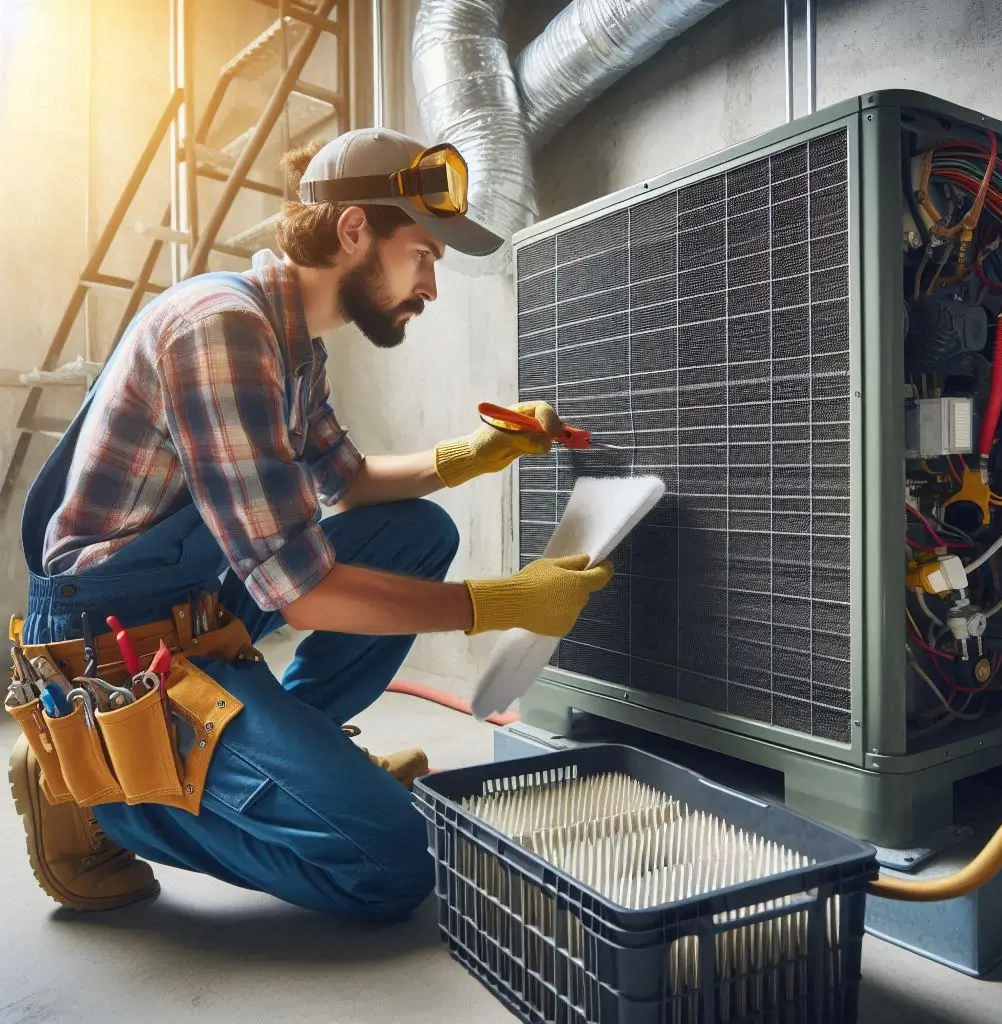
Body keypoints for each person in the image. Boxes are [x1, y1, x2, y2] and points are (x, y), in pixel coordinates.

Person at [5, 128, 613, 921]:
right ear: (354, 229)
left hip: (199, 600)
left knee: (416, 533)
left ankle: (308, 749)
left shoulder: (293, 347)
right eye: (422, 252)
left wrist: (475, 452)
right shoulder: (222, 329)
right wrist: (498, 604)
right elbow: (306, 596)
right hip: (114, 643)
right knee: (392, 865)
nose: (431, 285)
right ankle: (98, 794)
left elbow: (349, 484)